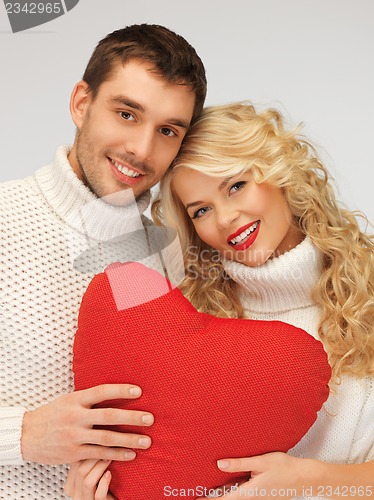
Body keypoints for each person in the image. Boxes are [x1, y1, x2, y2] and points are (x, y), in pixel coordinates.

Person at [0, 23, 206, 498]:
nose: (141, 149)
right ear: (81, 103)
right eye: (127, 113)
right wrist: (24, 434)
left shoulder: (169, 254)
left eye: (168, 130)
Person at [151, 102, 374, 499]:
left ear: (280, 174)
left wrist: (309, 482)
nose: (224, 219)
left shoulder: (367, 292)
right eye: (201, 210)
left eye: (236, 186)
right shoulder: (187, 314)